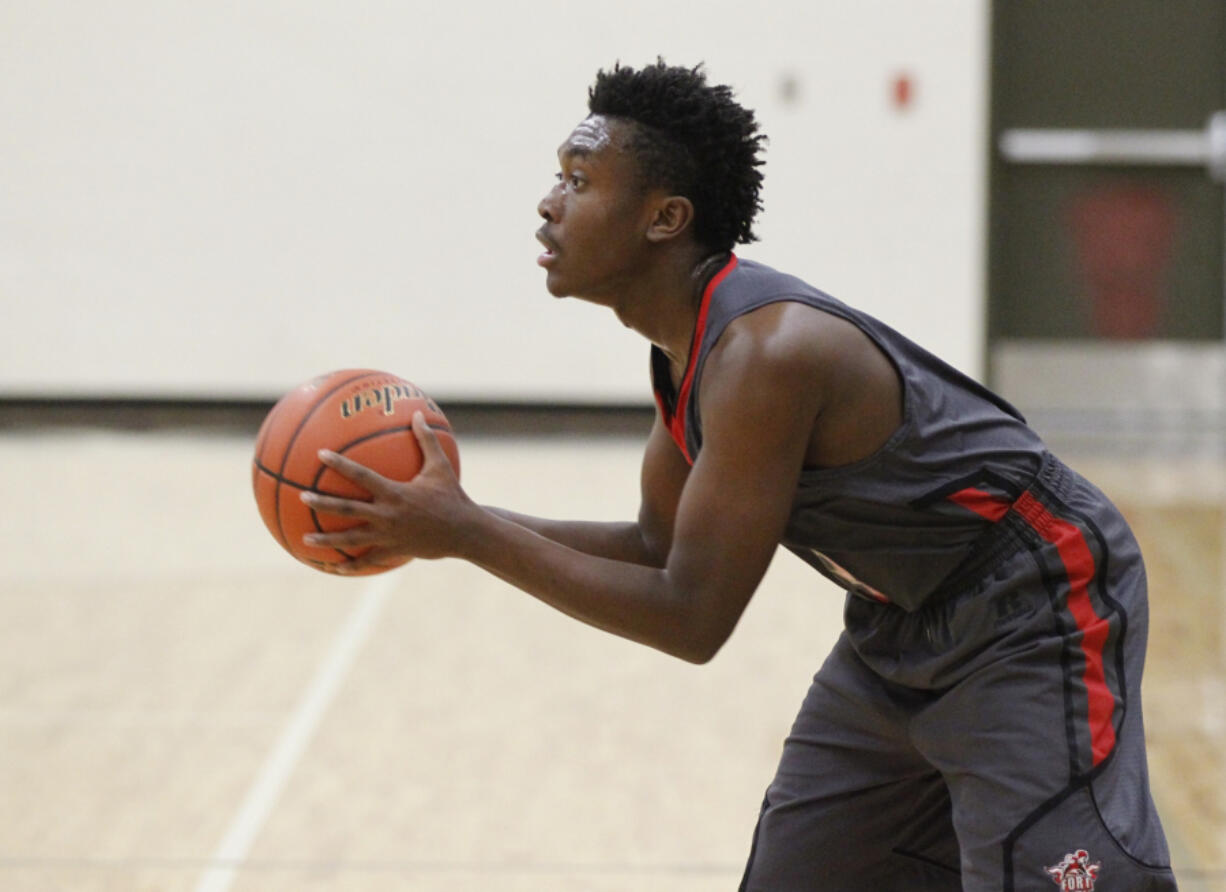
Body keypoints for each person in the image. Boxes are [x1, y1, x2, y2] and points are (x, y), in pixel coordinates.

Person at [299, 61, 1179, 891]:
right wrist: (458, 519)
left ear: (664, 218)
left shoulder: (768, 354)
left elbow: (693, 616)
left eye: (577, 179)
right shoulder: (684, 350)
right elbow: (656, 547)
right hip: (899, 621)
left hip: (1033, 601)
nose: (547, 203)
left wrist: (465, 532)